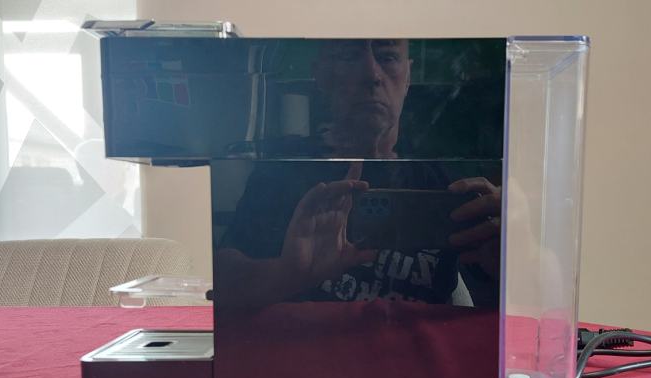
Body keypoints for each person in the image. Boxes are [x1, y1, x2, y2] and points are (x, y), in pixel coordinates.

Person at [214, 39, 500, 309]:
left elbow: (486, 296)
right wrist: (287, 273)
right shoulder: (284, 170)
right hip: (312, 343)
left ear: (408, 76)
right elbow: (220, 278)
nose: (372, 75)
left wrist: (506, 259)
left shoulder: (445, 178)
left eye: (388, 56)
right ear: (322, 76)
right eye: (350, 56)